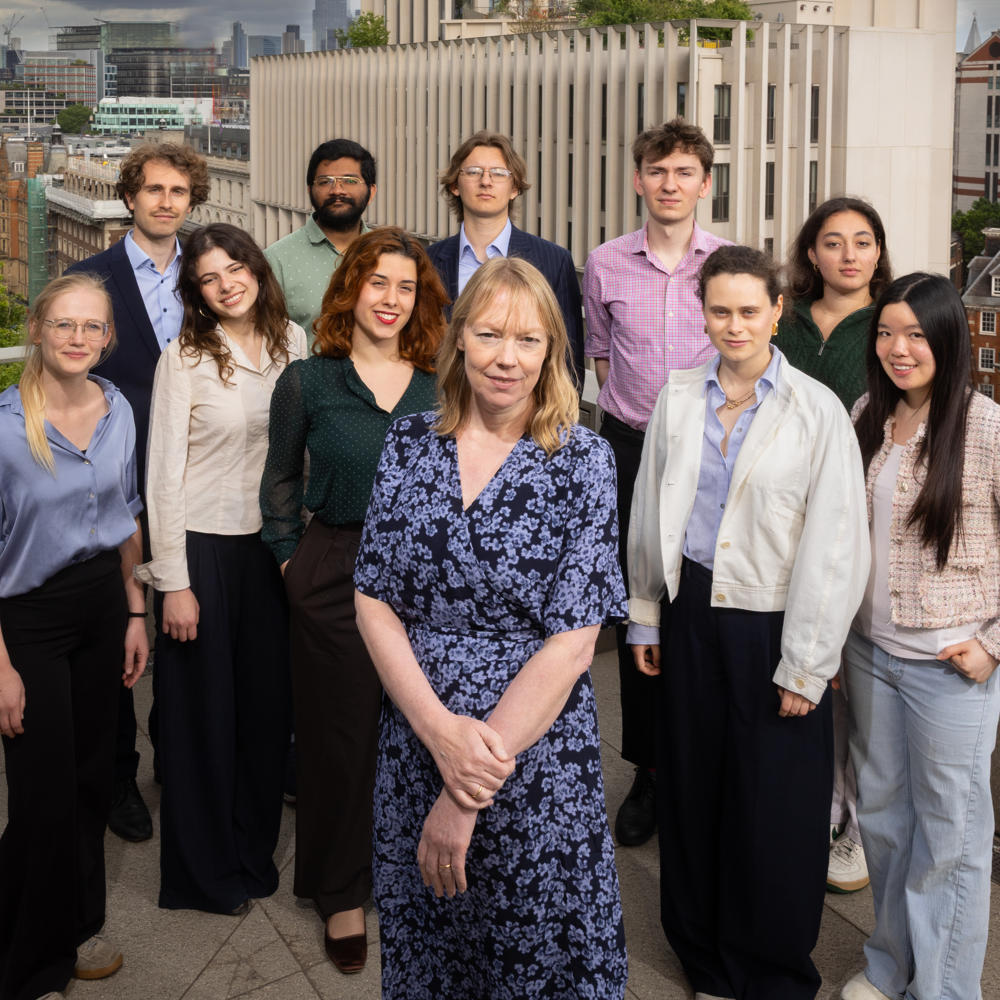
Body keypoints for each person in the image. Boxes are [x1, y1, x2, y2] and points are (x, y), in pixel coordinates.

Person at [353, 256, 628, 999]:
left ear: (553, 353)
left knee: (535, 949)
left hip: (533, 758)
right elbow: (374, 598)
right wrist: (438, 730)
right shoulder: (409, 444)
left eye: (529, 340)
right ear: (458, 340)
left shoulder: (585, 462)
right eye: (489, 334)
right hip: (416, 735)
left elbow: (574, 641)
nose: (508, 357)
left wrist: (466, 786)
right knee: (433, 948)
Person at [627, 245, 868, 999]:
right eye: (720, 310)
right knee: (695, 792)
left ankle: (766, 972)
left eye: (749, 310)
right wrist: (644, 617)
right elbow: (647, 510)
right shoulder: (677, 397)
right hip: (690, 613)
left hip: (774, 624)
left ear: (777, 311)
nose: (735, 325)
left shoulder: (816, 410)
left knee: (774, 810)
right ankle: (704, 959)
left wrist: (807, 662)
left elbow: (836, 543)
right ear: (703, 312)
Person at [260, 226, 447, 973]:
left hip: (429, 581)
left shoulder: (443, 381)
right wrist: (288, 563)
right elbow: (278, 481)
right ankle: (340, 891)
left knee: (420, 733)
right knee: (338, 742)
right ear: (351, 290)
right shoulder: (309, 381)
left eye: (406, 287)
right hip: (335, 566)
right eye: (378, 283)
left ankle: (418, 873)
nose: (391, 300)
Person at [135, 223, 307, 914]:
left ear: (257, 269)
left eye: (235, 267)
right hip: (202, 549)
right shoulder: (183, 357)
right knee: (202, 719)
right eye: (209, 277)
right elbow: (162, 477)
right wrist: (173, 582)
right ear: (197, 292)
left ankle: (251, 855)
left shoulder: (296, 343)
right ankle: (202, 875)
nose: (226, 282)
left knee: (266, 717)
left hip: (274, 548)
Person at [841, 273, 1000, 1000]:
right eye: (885, 332)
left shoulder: (986, 425)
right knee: (885, 827)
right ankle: (888, 967)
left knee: (952, 846)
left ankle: (941, 992)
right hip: (872, 657)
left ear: (945, 338)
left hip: (949, 666)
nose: (898, 348)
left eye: (914, 333)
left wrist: (994, 643)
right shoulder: (869, 411)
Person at [0, 273, 148, 999]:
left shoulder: (118, 407)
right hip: (26, 618)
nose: (79, 339)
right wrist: (1, 668)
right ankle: (30, 965)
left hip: (102, 606)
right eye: (65, 325)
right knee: (41, 793)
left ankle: (78, 925)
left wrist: (135, 611)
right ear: (38, 328)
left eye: (93, 328)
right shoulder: (3, 426)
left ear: (108, 338)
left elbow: (127, 514)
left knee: (92, 779)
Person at [583, 117, 730, 847]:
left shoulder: (730, 261)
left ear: (705, 183)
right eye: (657, 171)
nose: (670, 185)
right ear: (638, 179)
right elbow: (602, 358)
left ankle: (702, 764)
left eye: (684, 173)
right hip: (630, 449)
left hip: (711, 454)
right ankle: (647, 772)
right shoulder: (606, 262)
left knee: (699, 606)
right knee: (637, 607)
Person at [65, 140, 210, 843]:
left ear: (191, 201)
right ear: (129, 197)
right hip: (114, 483)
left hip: (194, 481)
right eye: (152, 189)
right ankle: (118, 774)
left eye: (178, 192)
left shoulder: (210, 277)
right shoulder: (89, 277)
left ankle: (175, 757)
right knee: (115, 632)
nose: (165, 202)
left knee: (182, 624)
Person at [774, 196, 893, 894]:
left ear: (880, 252)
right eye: (832, 241)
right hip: (779, 512)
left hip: (859, 509)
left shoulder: (889, 324)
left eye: (863, 241)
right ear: (811, 252)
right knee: (795, 664)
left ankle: (852, 825)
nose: (848, 254)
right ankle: (808, 809)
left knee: (849, 673)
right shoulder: (781, 318)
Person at [426, 130, 585, 388]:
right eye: (474, 171)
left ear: (514, 188)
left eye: (499, 173)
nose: (486, 181)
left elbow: (567, 363)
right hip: (441, 412)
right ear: (455, 185)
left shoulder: (554, 262)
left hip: (527, 417)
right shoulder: (427, 262)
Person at [265, 138, 377, 340]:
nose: (337, 190)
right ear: (310, 191)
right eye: (325, 182)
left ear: (371, 192)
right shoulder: (276, 260)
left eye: (350, 181)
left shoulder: (386, 253)